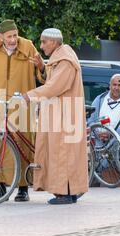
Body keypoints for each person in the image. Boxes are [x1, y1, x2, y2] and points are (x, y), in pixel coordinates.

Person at [0, 19, 44, 202]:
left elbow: (42, 76)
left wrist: (40, 66)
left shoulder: (28, 46)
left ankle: (23, 188)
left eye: (15, 35)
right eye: (9, 37)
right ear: (1, 37)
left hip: (21, 103)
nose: (13, 40)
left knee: (21, 144)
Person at [22, 28, 89, 205]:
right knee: (62, 153)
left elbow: (55, 87)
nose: (41, 46)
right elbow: (52, 81)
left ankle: (65, 194)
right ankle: (67, 193)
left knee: (63, 154)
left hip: (64, 116)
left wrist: (29, 95)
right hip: (60, 114)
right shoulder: (60, 58)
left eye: (44, 42)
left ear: (53, 42)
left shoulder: (65, 61)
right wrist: (42, 67)